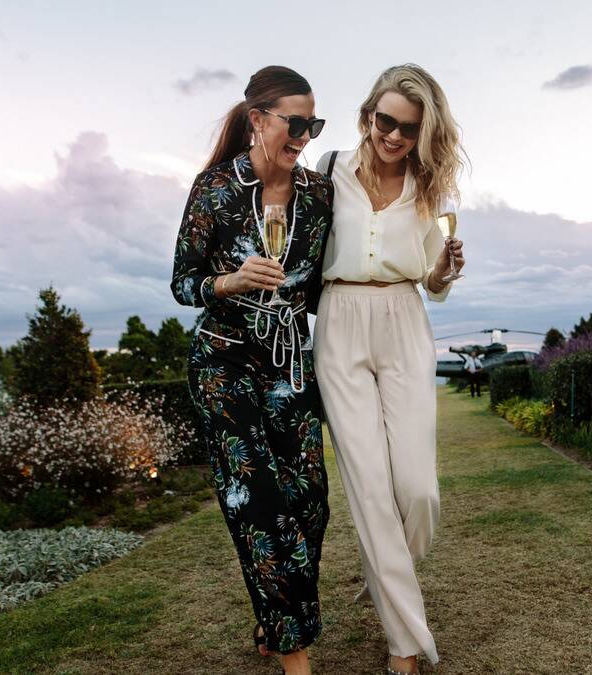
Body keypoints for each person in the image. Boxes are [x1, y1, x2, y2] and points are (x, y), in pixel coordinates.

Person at [170, 65, 332, 675]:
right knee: (259, 501)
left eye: (313, 125)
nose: (304, 137)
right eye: (295, 123)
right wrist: (229, 281)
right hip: (223, 362)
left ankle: (275, 617)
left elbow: (327, 283)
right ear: (259, 119)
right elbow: (182, 282)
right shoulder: (213, 189)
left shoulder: (318, 197)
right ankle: (296, 656)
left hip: (289, 363)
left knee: (311, 504)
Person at [313, 63, 466, 675]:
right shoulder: (327, 174)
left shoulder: (429, 193)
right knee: (371, 491)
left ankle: (385, 568)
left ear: (424, 132)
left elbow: (432, 282)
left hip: (404, 320)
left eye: (408, 128)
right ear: (367, 115)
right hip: (339, 318)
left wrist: (446, 271)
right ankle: (406, 645)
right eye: (385, 121)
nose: (394, 136)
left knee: (418, 492)